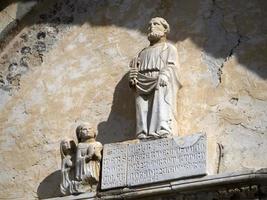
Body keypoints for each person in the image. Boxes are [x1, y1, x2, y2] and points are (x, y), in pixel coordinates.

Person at [129, 17, 181, 139]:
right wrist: (133, 78)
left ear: (165, 29)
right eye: (150, 25)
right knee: (141, 106)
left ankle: (162, 128)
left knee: (160, 102)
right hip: (142, 81)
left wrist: (164, 74)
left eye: (156, 24)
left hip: (160, 79)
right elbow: (135, 69)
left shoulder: (169, 48)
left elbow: (172, 66)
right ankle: (142, 132)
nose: (151, 27)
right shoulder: (142, 52)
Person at [75, 124, 103, 192]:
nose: (88, 130)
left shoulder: (98, 144)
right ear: (80, 134)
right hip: (84, 170)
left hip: (95, 168)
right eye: (85, 129)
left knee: (95, 180)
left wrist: (97, 155)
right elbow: (78, 160)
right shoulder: (80, 146)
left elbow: (100, 158)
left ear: (94, 132)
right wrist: (87, 157)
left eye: (90, 128)